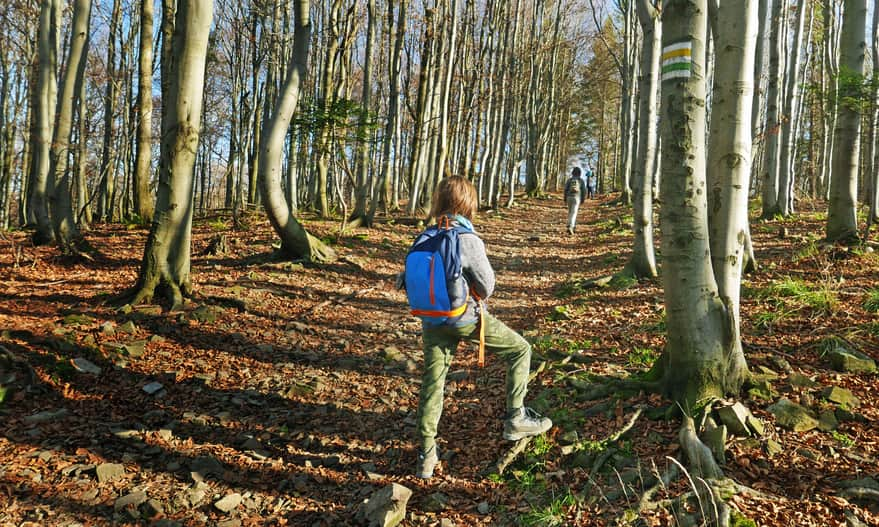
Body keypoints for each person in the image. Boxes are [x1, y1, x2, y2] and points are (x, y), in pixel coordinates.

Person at [407, 176, 552, 479]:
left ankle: (426, 453)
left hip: (432, 320)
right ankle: (515, 418)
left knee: (433, 382)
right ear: (468, 204)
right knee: (520, 349)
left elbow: (406, 279)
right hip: (466, 319)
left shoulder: (424, 235)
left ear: (440, 202)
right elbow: (487, 286)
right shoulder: (467, 238)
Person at [564, 167, 587, 235]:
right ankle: (571, 226)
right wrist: (583, 199)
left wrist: (565, 198)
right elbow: (583, 191)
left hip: (569, 197)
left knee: (570, 211)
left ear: (573, 172)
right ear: (580, 173)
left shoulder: (569, 180)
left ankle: (570, 225)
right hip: (577, 197)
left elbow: (565, 189)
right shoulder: (581, 180)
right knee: (574, 213)